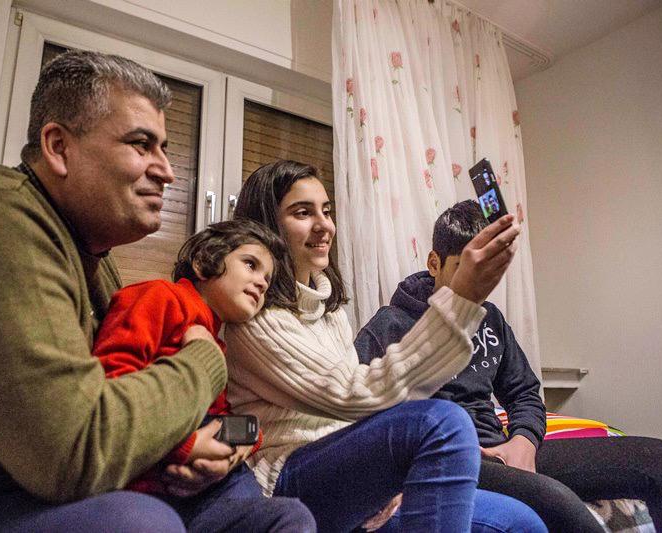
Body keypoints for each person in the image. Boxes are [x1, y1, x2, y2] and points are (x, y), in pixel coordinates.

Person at [0, 50, 313, 532]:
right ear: (58, 146)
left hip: (67, 491)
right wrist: (203, 362)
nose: (167, 170)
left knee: (282, 520)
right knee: (140, 522)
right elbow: (77, 450)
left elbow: (138, 414)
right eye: (141, 144)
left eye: (164, 148)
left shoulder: (94, 256)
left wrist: (226, 445)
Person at [224, 160, 547, 532]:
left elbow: (355, 419)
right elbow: (353, 395)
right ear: (268, 225)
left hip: (343, 463)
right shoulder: (254, 317)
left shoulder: (329, 313)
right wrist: (462, 302)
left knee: (523, 524)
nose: (324, 225)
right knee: (444, 421)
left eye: (326, 211)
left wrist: (383, 475)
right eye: (302, 212)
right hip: (288, 476)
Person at [355, 199, 662, 532]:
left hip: (506, 450)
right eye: (464, 267)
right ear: (434, 263)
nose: (477, 281)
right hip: (452, 459)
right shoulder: (389, 326)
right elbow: (356, 423)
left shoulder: (490, 318)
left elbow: (525, 393)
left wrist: (524, 442)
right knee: (556, 501)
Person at [93, 219, 295, 529]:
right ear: (204, 261)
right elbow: (110, 388)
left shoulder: (214, 342)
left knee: (291, 514)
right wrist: (184, 446)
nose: (262, 283)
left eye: (267, 278)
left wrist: (243, 443)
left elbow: (222, 417)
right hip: (148, 484)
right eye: (250, 264)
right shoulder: (160, 296)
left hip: (204, 489)